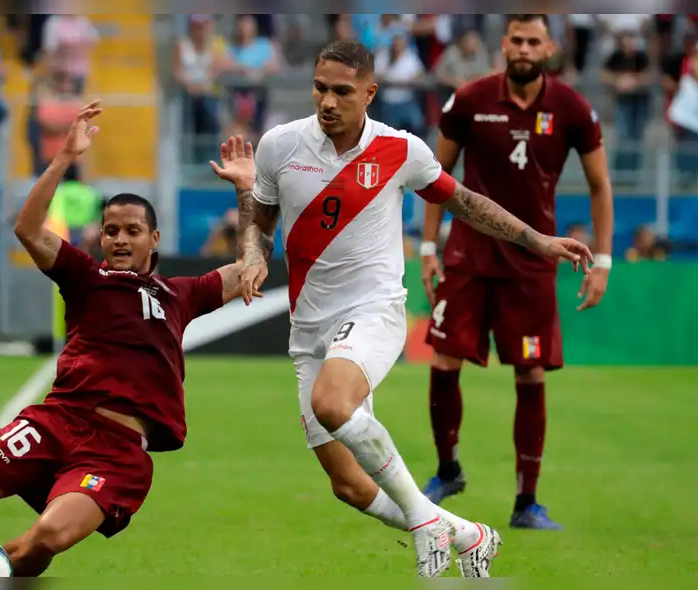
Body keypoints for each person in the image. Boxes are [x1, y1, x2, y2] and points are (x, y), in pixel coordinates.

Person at [210, 38, 593, 577]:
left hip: (374, 310)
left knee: (332, 403)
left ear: (369, 93)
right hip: (309, 325)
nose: (327, 101)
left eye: (342, 92)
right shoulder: (279, 145)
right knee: (348, 485)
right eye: (320, 88)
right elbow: (261, 220)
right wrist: (252, 253)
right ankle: (466, 534)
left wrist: (538, 240)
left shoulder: (401, 149)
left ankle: (424, 520)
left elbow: (466, 203)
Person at [0, 99, 245, 578]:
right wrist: (64, 157)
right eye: (111, 231)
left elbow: (249, 267)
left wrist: (247, 192)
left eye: (133, 231)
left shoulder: (181, 294)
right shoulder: (86, 276)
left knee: (49, 537)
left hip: (116, 450)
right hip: (58, 421)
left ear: (154, 239)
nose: (120, 240)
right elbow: (27, 228)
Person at [418, 14, 614, 530]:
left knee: (529, 371)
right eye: (517, 40)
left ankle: (527, 503)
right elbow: (436, 177)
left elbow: (600, 185)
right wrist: (428, 248)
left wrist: (603, 260)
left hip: (532, 263)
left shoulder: (572, 108)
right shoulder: (470, 100)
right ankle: (448, 470)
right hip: (468, 254)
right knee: (444, 358)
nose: (525, 48)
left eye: (534, 41)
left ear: (550, 47)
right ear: (504, 44)